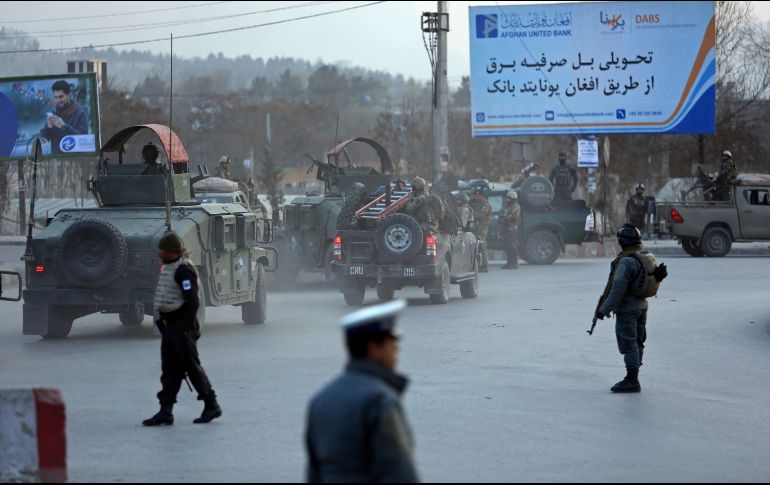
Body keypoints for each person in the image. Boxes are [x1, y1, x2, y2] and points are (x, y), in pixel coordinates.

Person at [305, 299, 419, 483]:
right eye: (391, 343)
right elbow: (398, 471)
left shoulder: (320, 400)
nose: (396, 349)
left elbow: (314, 472)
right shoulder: (380, 401)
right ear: (374, 349)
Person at [142, 232, 221, 426]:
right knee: (169, 369)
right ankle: (165, 411)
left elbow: (192, 301)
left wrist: (184, 328)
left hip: (181, 326)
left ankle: (211, 404)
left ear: (170, 251)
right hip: (170, 326)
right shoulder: (169, 267)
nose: (158, 252)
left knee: (191, 367)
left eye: (161, 249)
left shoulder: (184, 270)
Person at [593, 224, 666, 393]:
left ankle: (632, 380)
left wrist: (603, 310)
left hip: (627, 310)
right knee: (638, 341)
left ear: (622, 242)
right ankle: (634, 374)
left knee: (630, 343)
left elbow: (617, 291)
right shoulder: (644, 257)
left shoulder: (626, 262)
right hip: (642, 306)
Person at [39, 80, 90, 154]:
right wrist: (48, 128)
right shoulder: (53, 114)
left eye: (61, 96)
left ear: (69, 94)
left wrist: (64, 126)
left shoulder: (80, 114)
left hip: (76, 160)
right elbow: (43, 140)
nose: (58, 100)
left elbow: (84, 141)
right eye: (56, 97)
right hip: (56, 161)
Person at [468, 181, 492, 272]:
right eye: (475, 195)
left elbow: (480, 215)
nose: (476, 197)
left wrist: (470, 214)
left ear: (482, 196)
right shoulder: (473, 203)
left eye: (478, 196)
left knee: (482, 246)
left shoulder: (486, 205)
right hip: (474, 228)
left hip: (482, 228)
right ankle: (476, 265)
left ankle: (484, 266)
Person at [498, 190, 521, 269]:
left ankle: (514, 263)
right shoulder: (508, 206)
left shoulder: (516, 206)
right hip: (506, 229)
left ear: (513, 198)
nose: (507, 199)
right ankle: (509, 262)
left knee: (512, 247)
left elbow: (511, 216)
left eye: (509, 198)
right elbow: (503, 214)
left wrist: (503, 219)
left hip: (512, 229)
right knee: (507, 246)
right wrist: (501, 218)